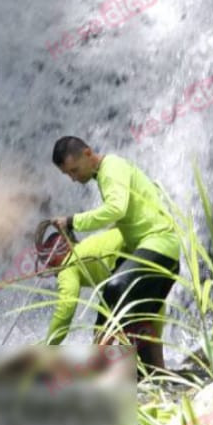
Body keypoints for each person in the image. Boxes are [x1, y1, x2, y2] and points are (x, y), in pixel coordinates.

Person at [50, 136, 180, 369]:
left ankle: (100, 375)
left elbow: (115, 209)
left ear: (88, 154)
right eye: (67, 174)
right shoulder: (108, 173)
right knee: (124, 317)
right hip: (159, 253)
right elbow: (125, 215)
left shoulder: (111, 168)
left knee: (114, 289)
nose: (73, 178)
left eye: (74, 170)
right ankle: (153, 377)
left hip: (159, 245)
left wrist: (72, 221)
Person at [40, 228, 166, 368]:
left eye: (47, 259)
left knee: (106, 331)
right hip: (157, 249)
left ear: (57, 253)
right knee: (136, 323)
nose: (47, 266)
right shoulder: (90, 246)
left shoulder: (68, 266)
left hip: (131, 264)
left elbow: (66, 308)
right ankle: (158, 371)